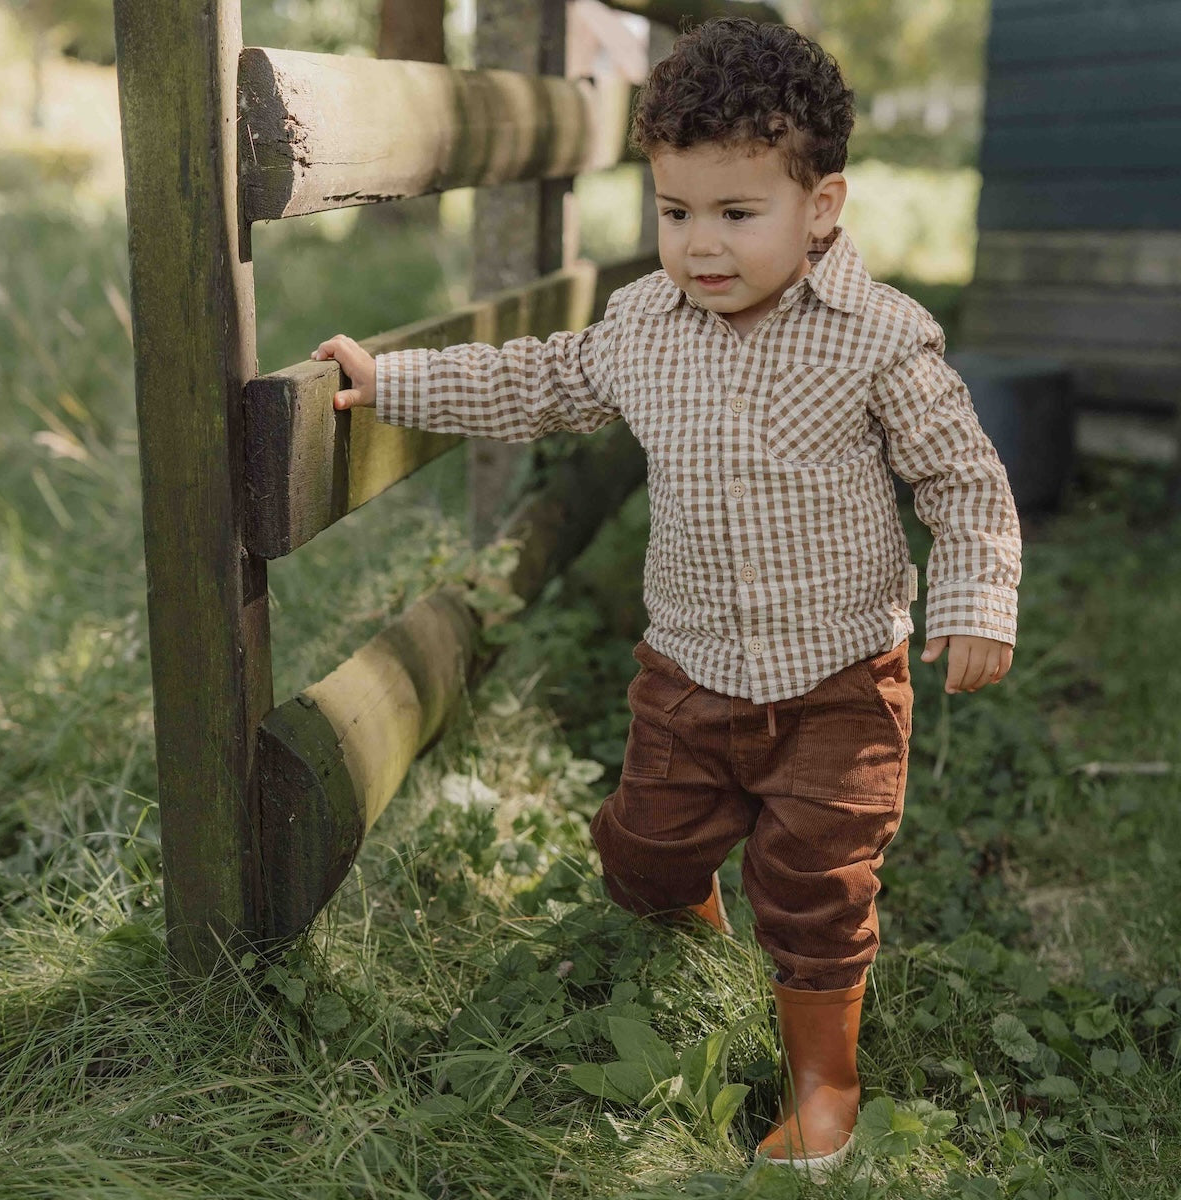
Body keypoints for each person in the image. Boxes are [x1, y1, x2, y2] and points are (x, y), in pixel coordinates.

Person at [312, 17, 1021, 1178]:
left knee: (816, 880)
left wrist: (977, 595)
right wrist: (400, 381)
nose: (700, 244)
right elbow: (537, 377)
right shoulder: (645, 327)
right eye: (675, 212)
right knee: (644, 855)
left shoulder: (879, 341)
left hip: (839, 679)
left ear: (822, 208)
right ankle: (693, 946)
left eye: (737, 215)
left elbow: (964, 477)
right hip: (688, 675)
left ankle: (824, 1084)